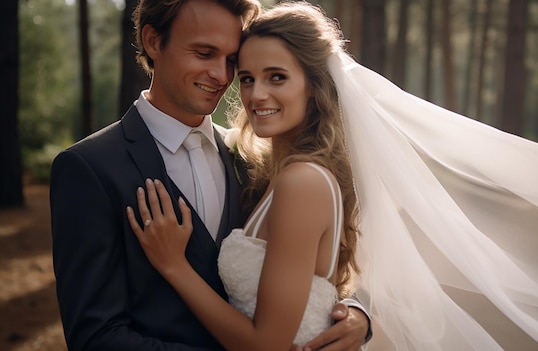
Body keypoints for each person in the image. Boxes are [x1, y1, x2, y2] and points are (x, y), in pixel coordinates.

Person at [127, 1, 538, 350]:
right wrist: (358, 316)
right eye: (249, 77)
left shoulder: (303, 181)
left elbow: (267, 344)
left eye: (277, 77)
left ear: (314, 86)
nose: (256, 94)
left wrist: (175, 268)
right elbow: (317, 285)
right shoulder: (269, 170)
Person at [49, 0, 370, 350]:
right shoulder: (90, 168)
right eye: (204, 53)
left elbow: (317, 266)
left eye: (232, 61)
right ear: (154, 42)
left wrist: (354, 314)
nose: (221, 76)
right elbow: (96, 338)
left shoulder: (251, 160)